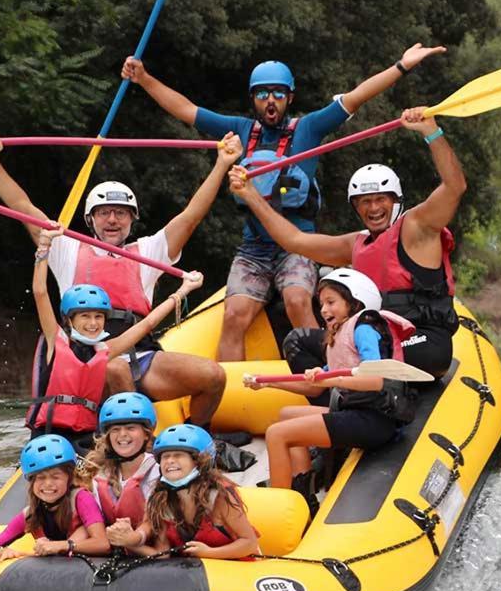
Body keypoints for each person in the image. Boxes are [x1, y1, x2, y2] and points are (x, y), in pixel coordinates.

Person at [122, 44, 446, 361]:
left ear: (289, 97)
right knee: (234, 315)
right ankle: (224, 391)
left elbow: (357, 96)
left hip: (298, 246)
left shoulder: (308, 129)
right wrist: (144, 78)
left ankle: (325, 372)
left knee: (296, 299)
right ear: (254, 100)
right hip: (254, 248)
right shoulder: (239, 130)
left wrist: (401, 66)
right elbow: (185, 109)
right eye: (263, 95)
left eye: (278, 93)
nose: (271, 101)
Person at [0, 130, 244, 426]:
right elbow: (22, 207)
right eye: (103, 213)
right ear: (90, 220)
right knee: (116, 369)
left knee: (213, 376)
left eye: (120, 213)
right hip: (85, 359)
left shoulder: (149, 251)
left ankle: (190, 445)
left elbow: (191, 216)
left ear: (132, 219)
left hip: (140, 353)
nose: (112, 220)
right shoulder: (66, 247)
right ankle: (133, 449)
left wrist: (221, 164)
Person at [229, 105, 467, 378]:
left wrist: (431, 131)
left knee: (366, 344)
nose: (373, 208)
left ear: (396, 201)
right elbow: (294, 240)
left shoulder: (417, 227)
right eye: (365, 202)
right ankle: (335, 403)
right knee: (298, 341)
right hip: (375, 338)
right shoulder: (356, 244)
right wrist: (250, 195)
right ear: (356, 207)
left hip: (423, 341)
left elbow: (455, 186)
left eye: (380, 199)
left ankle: (374, 397)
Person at [245, 269, 417, 517]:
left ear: (354, 302)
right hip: (354, 412)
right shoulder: (338, 336)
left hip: (374, 420)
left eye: (331, 302)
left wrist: (329, 378)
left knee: (276, 434)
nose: (324, 310)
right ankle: (303, 497)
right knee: (286, 414)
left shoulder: (363, 328)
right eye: (322, 304)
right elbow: (314, 385)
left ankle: (279, 512)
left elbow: (376, 380)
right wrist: (268, 384)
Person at [28, 225, 203, 452]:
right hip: (50, 434)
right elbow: (40, 292)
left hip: (87, 437)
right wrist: (44, 247)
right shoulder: (56, 339)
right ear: (69, 320)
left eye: (98, 317)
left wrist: (183, 291)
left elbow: (148, 323)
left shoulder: (105, 349)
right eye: (85, 316)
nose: (93, 323)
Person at [106, 424, 259, 560]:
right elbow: (162, 552)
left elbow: (249, 543)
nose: (170, 461)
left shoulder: (219, 495)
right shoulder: (160, 498)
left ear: (200, 461)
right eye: (165, 456)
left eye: (178, 455)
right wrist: (128, 541)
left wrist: (209, 553)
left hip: (235, 570)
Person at [0, 434, 110, 565]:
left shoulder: (81, 499)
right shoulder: (29, 515)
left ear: (69, 478)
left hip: (84, 567)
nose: (48, 484)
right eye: (40, 478)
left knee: (83, 531)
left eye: (55, 477)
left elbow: (103, 544)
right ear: (32, 482)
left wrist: (60, 545)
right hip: (52, 573)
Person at [74, 391, 160, 531]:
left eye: (131, 428)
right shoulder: (98, 474)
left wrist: (134, 540)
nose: (122, 435)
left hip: (146, 545)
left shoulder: (160, 472)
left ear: (146, 434)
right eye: (115, 429)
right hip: (111, 544)